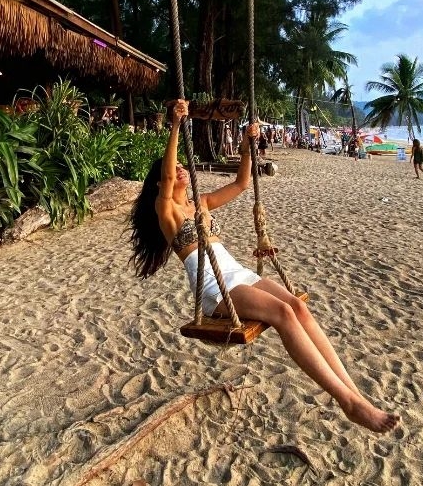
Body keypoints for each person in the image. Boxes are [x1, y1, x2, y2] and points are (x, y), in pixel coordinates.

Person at [129, 99, 400, 434]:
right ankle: (347, 402)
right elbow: (168, 174)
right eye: (172, 170)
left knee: (297, 307)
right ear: (160, 184)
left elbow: (242, 184)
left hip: (239, 273)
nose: (181, 168)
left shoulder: (201, 204)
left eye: (184, 164)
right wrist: (174, 127)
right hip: (215, 287)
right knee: (283, 315)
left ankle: (354, 394)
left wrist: (246, 147)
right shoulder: (166, 210)